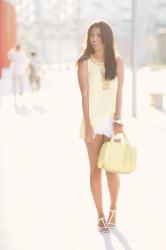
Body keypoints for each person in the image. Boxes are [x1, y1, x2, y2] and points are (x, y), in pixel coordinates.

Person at [77, 21, 124, 233]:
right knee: (95, 170)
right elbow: (84, 95)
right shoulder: (84, 62)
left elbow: (119, 93)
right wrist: (88, 125)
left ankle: (114, 208)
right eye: (92, 35)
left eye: (98, 35)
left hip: (111, 122)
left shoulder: (118, 61)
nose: (95, 39)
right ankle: (100, 215)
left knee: (112, 170)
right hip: (93, 123)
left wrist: (119, 121)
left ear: (107, 37)